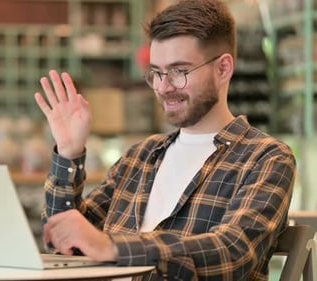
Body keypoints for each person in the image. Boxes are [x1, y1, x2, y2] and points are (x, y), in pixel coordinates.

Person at [33, 0, 296, 280]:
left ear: (222, 68)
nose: (163, 87)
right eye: (156, 72)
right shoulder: (142, 156)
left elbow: (232, 252)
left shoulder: (265, 158)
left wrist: (112, 247)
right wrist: (69, 152)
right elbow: (64, 244)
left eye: (179, 71)